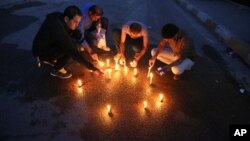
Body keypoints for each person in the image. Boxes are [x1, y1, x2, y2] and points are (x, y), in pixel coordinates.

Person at [32, 5, 102, 79]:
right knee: (74, 47)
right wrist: (93, 68)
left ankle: (51, 58)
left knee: (76, 34)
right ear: (66, 19)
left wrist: (75, 32)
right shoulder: (58, 30)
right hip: (41, 51)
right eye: (75, 22)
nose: (77, 25)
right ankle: (56, 69)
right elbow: (73, 52)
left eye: (78, 22)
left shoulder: (59, 16)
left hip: (47, 43)